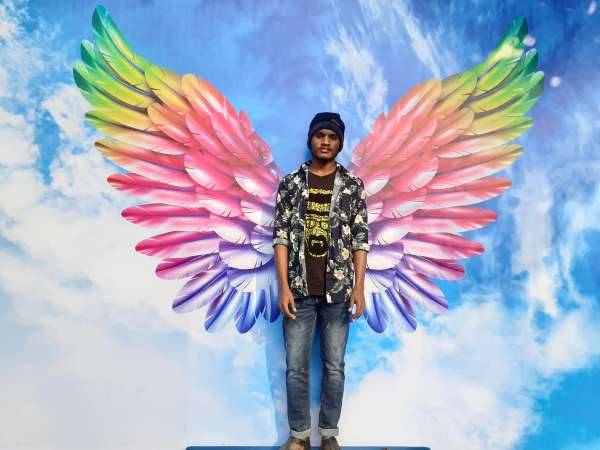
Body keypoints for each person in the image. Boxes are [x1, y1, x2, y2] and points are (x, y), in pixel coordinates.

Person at [273, 112, 370, 450]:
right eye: (320, 135)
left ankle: (329, 434)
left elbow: (360, 239)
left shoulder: (353, 186)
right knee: (296, 368)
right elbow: (280, 237)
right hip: (298, 290)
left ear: (340, 143)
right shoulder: (291, 183)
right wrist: (284, 287)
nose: (325, 141)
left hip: (339, 292)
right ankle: (299, 436)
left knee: (335, 367)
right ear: (310, 139)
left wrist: (359, 288)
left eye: (332, 136)